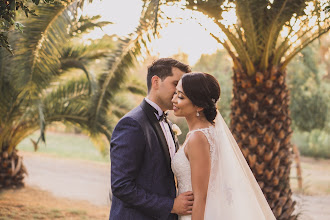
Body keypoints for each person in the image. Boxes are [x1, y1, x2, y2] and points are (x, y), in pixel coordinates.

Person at [171, 72, 276, 220]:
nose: (174, 100)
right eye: (175, 93)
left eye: (181, 96)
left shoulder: (197, 138)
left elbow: (202, 197)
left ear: (199, 105)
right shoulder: (208, 133)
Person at [109, 58, 193, 220]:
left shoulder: (167, 123)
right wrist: (171, 205)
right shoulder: (132, 124)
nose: (180, 92)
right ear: (156, 82)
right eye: (175, 84)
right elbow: (121, 186)